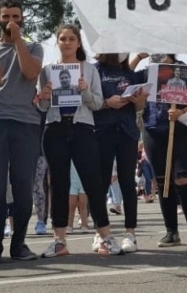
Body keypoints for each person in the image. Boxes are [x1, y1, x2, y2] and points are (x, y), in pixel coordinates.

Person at [37, 25, 123, 256]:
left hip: (83, 128)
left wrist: (84, 90)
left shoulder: (89, 70)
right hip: (55, 128)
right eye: (62, 39)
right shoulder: (48, 70)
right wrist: (44, 96)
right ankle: (59, 240)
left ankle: (105, 237)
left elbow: (97, 103)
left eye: (71, 39)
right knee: (59, 185)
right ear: (57, 42)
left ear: (78, 43)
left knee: (93, 183)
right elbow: (43, 106)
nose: (66, 43)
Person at [0, 0, 44, 263]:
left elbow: (30, 73)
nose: (10, 21)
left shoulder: (34, 47)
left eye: (16, 16)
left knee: (23, 186)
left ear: (23, 19)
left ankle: (19, 244)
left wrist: (18, 42)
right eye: (5, 16)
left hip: (26, 124)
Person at [131, 52, 187, 250]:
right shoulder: (147, 72)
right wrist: (138, 57)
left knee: (184, 178)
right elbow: (126, 79)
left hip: (183, 131)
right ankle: (171, 231)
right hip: (153, 130)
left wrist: (182, 112)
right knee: (162, 180)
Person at [95, 53, 146, 253]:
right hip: (101, 131)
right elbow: (89, 99)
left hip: (127, 132)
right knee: (100, 183)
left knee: (127, 183)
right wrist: (107, 102)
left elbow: (139, 107)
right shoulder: (95, 70)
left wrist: (139, 102)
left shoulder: (130, 74)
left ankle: (130, 233)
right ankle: (101, 232)